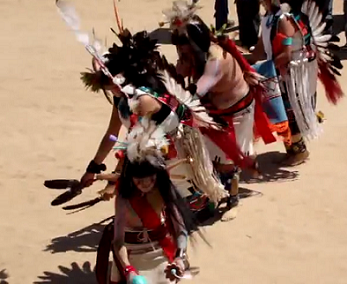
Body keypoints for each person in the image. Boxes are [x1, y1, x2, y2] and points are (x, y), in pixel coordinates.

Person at [162, 1, 276, 220]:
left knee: (226, 161)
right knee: (207, 156)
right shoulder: (199, 54)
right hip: (215, 110)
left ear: (196, 42)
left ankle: (231, 197)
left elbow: (199, 89)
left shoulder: (214, 60)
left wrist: (177, 87)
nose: (180, 51)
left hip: (236, 111)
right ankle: (215, 195)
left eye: (183, 46)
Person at [106, 118, 201, 284]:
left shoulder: (164, 189)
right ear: (130, 177)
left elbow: (180, 230)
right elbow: (118, 241)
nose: (145, 183)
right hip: (131, 254)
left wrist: (179, 258)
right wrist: (129, 272)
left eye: (150, 178)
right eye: (139, 179)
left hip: (160, 250)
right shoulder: (123, 197)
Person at [249, 0, 343, 165]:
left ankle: (299, 151)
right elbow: (259, 50)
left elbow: (286, 53)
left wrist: (264, 70)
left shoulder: (284, 19)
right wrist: (242, 63)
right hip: (279, 68)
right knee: (282, 108)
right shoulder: (268, 19)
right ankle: (292, 149)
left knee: (288, 108)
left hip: (293, 70)